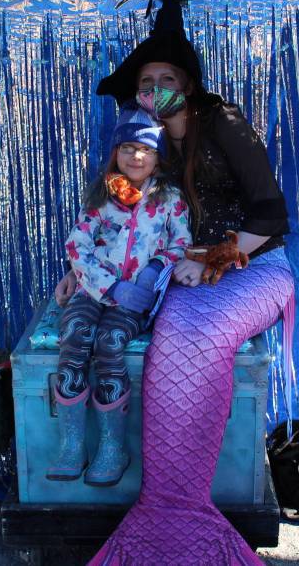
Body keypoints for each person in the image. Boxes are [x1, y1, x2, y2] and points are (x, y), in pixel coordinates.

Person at [55, 0, 295, 564]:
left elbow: (272, 215)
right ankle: (167, 500)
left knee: (195, 334)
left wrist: (211, 257)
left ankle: (180, 506)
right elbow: (117, 228)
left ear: (187, 84)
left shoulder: (225, 122)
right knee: (168, 336)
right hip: (184, 271)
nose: (155, 90)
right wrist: (78, 274)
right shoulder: (146, 145)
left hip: (255, 262)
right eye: (146, 83)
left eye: (167, 80)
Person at [48, 106, 191, 488]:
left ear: (158, 157)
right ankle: (72, 443)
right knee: (75, 334)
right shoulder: (102, 194)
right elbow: (77, 244)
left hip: (134, 299)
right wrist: (107, 286)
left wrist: (153, 270)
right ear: (115, 153)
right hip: (93, 290)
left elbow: (182, 243)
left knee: (110, 344)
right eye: (127, 148)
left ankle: (113, 446)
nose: (136, 156)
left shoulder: (169, 199)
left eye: (145, 149)